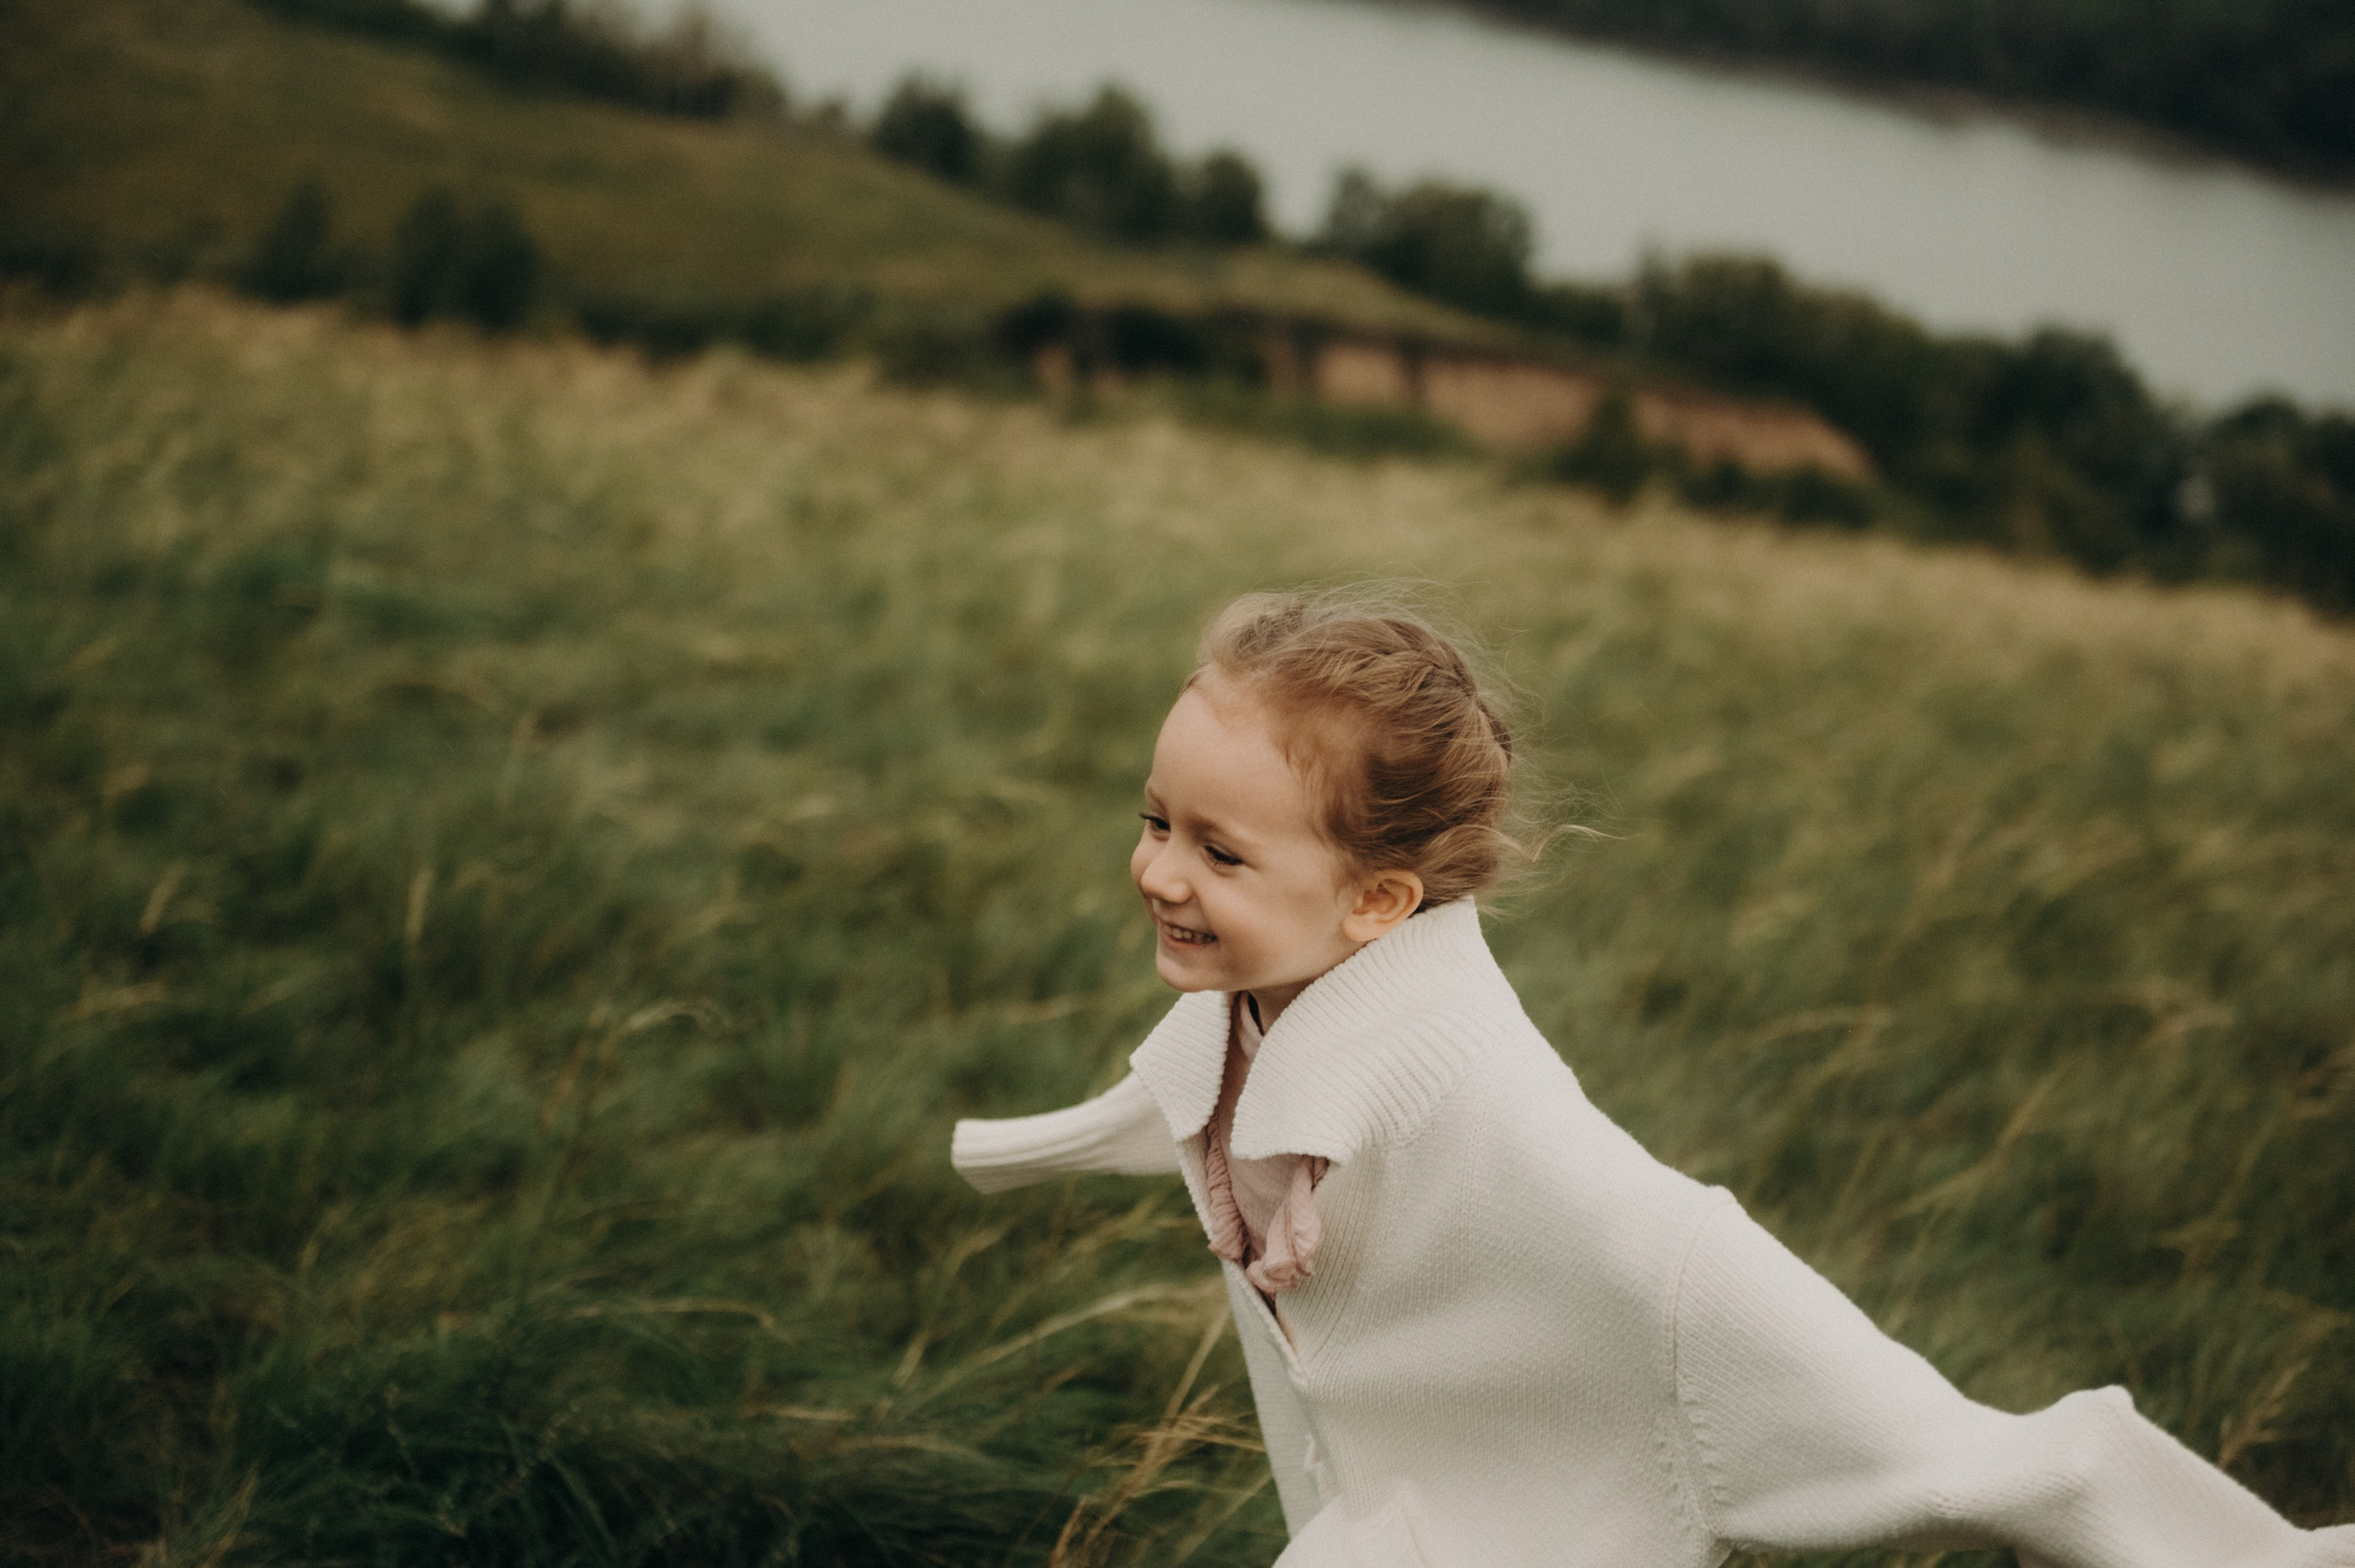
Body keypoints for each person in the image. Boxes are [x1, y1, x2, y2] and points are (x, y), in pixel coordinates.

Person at [949, 589, 2351, 1568]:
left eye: (1217, 850)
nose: (1156, 870)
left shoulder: (1537, 1155)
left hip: (1529, 1538)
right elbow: (1196, 1103)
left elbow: (1701, 1281)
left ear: (1378, 902)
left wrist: (2079, 1503)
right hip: (1377, 1521)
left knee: (1990, 1457)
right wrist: (1017, 1147)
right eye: (1153, 819)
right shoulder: (1253, 1011)